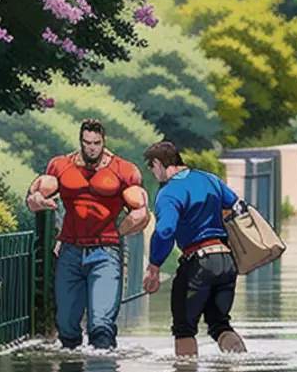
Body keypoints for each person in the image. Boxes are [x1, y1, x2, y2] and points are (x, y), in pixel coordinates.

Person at [24, 120, 150, 350]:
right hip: (70, 250)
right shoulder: (61, 166)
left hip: (105, 252)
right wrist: (39, 201)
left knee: (101, 324)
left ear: (103, 142)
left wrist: (120, 231)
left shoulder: (123, 170)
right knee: (66, 326)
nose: (91, 147)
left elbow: (141, 210)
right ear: (80, 141)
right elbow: (33, 196)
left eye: (96, 143)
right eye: (87, 142)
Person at [142, 141, 247, 358]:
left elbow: (165, 231)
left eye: (152, 168)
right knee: (220, 325)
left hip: (198, 263)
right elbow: (237, 206)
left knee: (184, 328)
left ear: (158, 163)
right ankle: (241, 369)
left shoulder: (169, 192)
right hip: (227, 262)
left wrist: (154, 266)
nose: (153, 174)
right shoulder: (209, 179)